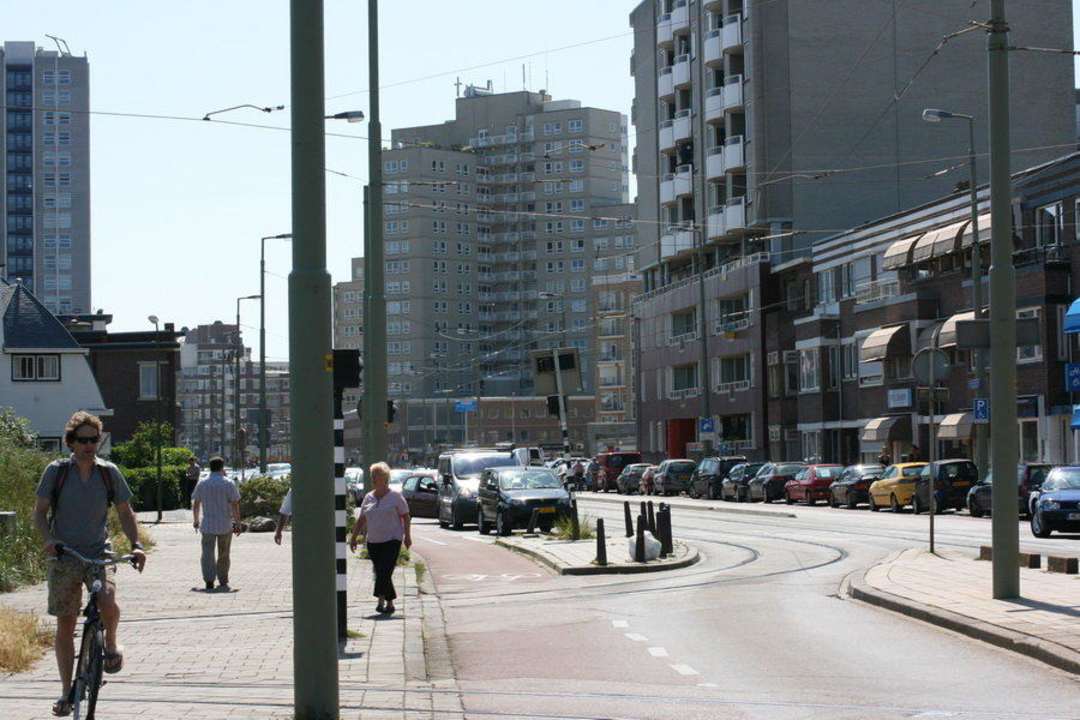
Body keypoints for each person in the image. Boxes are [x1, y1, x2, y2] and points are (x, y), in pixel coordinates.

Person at [32, 411, 146, 718]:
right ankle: (66, 692)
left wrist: (136, 544)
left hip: (98, 552)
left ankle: (110, 644)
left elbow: (125, 511)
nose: (89, 446)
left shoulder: (108, 472)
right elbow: (39, 512)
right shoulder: (57, 472)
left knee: (107, 598)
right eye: (82, 440)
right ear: (70, 442)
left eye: (94, 440)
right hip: (65, 554)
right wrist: (48, 540)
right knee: (66, 623)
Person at [348, 462, 412, 615]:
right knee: (381, 572)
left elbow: (406, 516)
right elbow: (361, 519)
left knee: (385, 570)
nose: (375, 479)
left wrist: (407, 536)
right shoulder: (368, 497)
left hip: (392, 539)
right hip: (374, 541)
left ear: (385, 478)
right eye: (373, 476)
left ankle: (380, 600)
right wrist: (354, 537)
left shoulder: (396, 497)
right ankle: (389, 603)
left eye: (378, 476)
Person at [191, 457, 241, 592]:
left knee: (207, 554)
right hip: (225, 524)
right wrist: (238, 522)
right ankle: (223, 579)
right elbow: (235, 504)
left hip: (208, 524)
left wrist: (196, 520)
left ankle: (209, 580)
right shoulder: (228, 483)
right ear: (222, 467)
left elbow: (196, 504)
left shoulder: (202, 483)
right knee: (224, 553)